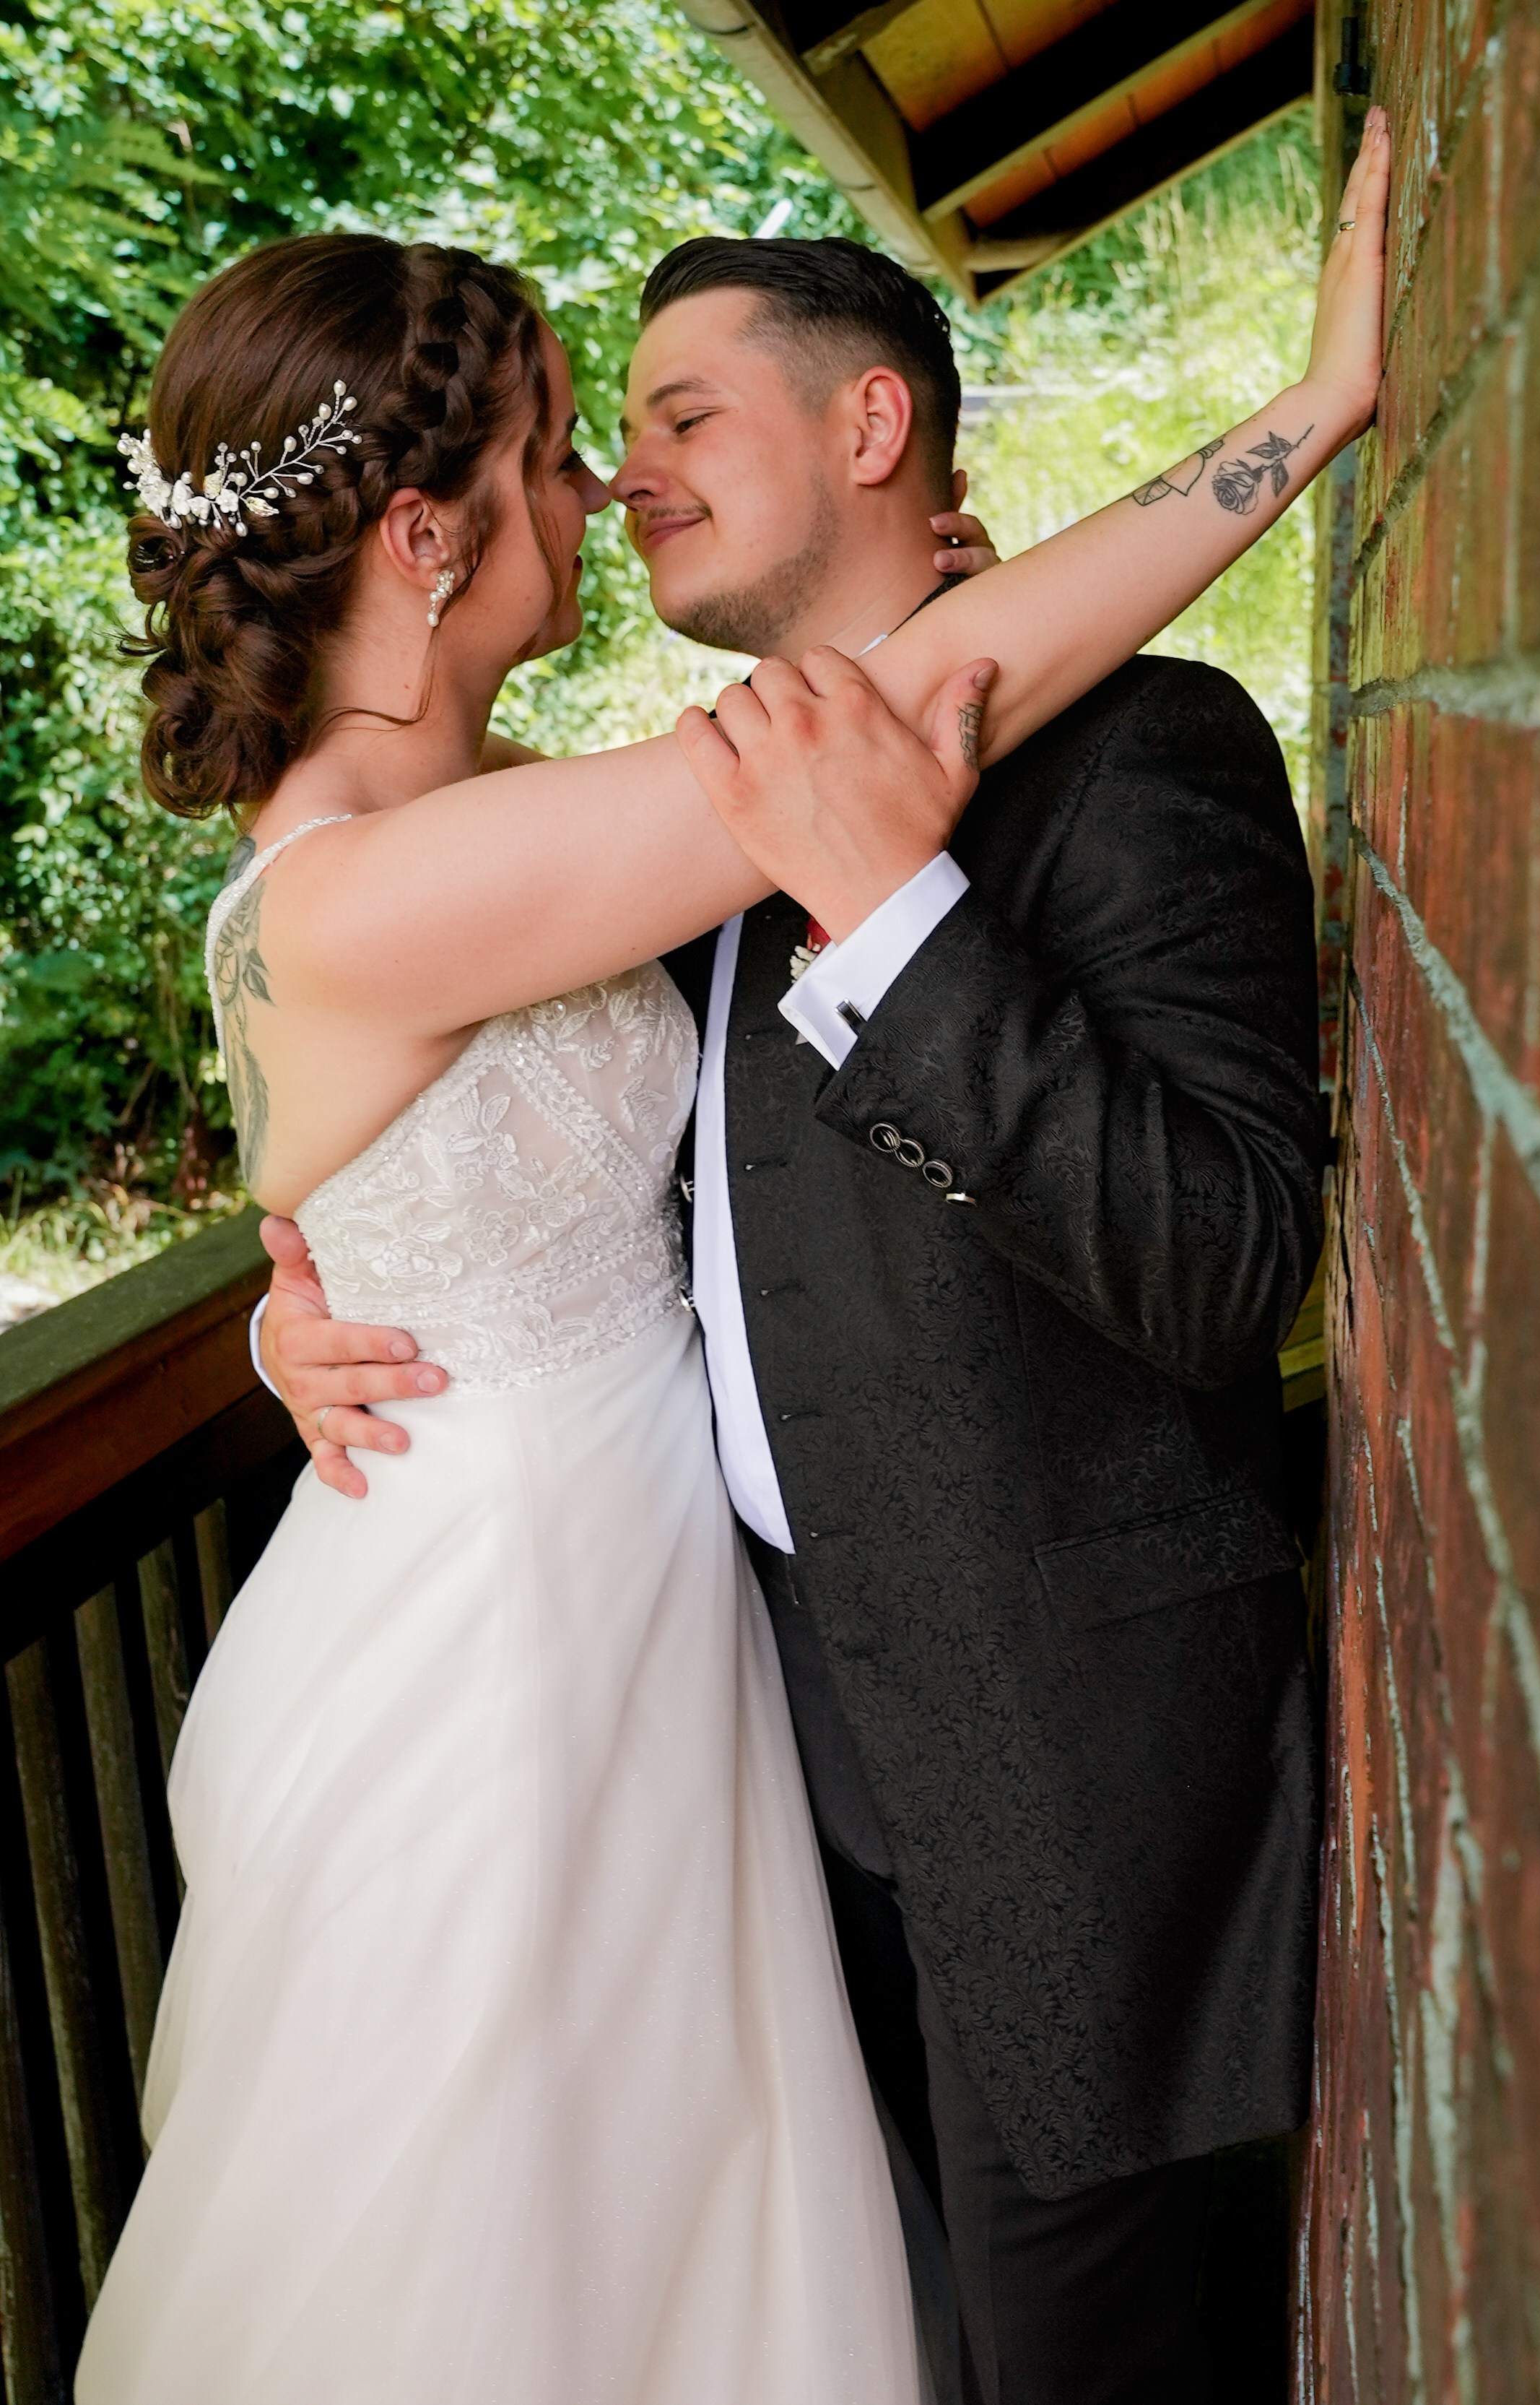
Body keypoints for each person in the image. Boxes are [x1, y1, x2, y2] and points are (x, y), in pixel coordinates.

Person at [81, 113, 1390, 2405]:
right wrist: (1314, 405)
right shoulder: (382, 888)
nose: (601, 497)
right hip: (505, 1666)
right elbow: (872, 735)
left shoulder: (511, 839)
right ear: (419, 537)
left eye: (642, 432)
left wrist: (297, 1287)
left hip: (726, 1680)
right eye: (566, 455)